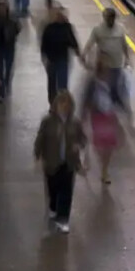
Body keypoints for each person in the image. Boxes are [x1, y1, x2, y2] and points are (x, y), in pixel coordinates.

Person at [34, 90, 86, 233]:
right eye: (61, 104)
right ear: (56, 105)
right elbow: (40, 140)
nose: (64, 107)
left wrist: (78, 145)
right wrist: (37, 156)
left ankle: (63, 220)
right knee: (53, 188)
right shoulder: (47, 121)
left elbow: (82, 139)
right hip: (52, 162)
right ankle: (53, 207)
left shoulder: (75, 123)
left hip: (68, 163)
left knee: (66, 191)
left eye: (67, 104)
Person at [83, 8, 133, 123]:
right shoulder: (98, 30)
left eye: (111, 18)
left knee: (115, 87)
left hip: (116, 65)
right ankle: (106, 109)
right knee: (102, 87)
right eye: (107, 18)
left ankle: (115, 108)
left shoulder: (120, 29)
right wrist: (84, 54)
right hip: (104, 66)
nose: (109, 20)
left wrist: (127, 59)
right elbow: (90, 42)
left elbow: (124, 45)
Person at [83, 60, 121, 184]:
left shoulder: (111, 82)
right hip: (97, 116)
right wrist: (83, 114)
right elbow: (86, 100)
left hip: (109, 115)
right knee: (100, 144)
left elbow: (116, 97)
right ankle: (102, 164)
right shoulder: (93, 83)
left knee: (109, 145)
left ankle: (105, 170)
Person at [40, 5, 80, 102]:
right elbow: (44, 44)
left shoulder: (67, 27)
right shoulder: (49, 28)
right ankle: (53, 103)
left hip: (63, 59)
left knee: (62, 84)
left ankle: (62, 103)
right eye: (59, 15)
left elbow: (72, 41)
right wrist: (44, 57)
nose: (61, 17)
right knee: (52, 83)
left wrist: (77, 50)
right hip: (51, 59)